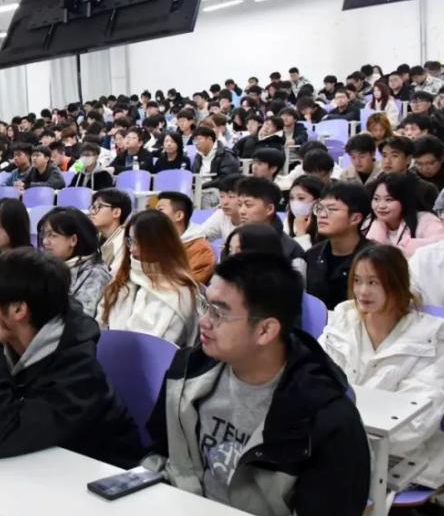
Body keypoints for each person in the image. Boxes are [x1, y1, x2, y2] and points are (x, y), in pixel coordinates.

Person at [143, 252, 371, 515]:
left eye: (218, 313)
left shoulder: (327, 418)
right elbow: (160, 451)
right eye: (206, 306)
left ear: (265, 330)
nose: (204, 322)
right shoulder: (188, 370)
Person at [0, 248, 144, 466]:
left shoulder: (78, 373)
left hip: (94, 478)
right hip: (36, 468)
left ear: (18, 310)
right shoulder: (9, 340)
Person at [320, 245, 444, 489]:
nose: (362, 291)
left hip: (401, 458)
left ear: (397, 284)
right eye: (357, 280)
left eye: (373, 282)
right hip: (332, 445)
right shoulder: (343, 319)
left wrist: (342, 438)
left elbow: (417, 423)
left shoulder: (431, 336)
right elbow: (312, 379)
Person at [99, 210, 199, 346]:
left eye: (138, 242)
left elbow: (166, 346)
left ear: (159, 244)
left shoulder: (180, 291)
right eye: (130, 241)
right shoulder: (122, 278)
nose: (132, 249)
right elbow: (100, 323)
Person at [39, 208, 112, 318]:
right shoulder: (45, 266)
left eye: (52, 235)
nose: (45, 242)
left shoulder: (96, 274)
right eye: (44, 235)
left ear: (73, 240)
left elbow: (81, 318)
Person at [235, 177, 306, 275]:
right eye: (239, 205)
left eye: (248, 205)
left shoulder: (291, 250)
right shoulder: (234, 242)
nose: (241, 211)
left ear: (269, 209)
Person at [366, 172, 444, 258]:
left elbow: (440, 245)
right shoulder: (368, 225)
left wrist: (409, 246)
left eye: (389, 200)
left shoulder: (426, 221)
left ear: (404, 200)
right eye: (376, 199)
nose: (381, 206)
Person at [155, 192, 215, 284]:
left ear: (179, 216)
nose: (154, 215)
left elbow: (190, 285)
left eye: (160, 210)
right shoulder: (155, 241)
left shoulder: (201, 250)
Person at [380, 135, 439, 210]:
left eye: (394, 156)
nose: (387, 161)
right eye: (384, 156)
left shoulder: (425, 190)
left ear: (408, 159)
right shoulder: (373, 186)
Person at [192, 127, 241, 208]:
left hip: (217, 190)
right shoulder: (198, 156)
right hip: (198, 189)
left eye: (199, 139)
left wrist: (202, 186)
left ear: (210, 139)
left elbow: (226, 178)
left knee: (204, 198)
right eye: (194, 141)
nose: (196, 143)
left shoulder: (226, 154)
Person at [88, 188, 132, 272]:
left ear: (116, 212)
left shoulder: (124, 242)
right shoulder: (94, 238)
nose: (92, 212)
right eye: (93, 207)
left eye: (98, 207)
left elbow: (114, 276)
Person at [198, 174, 243, 241]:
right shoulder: (221, 214)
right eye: (222, 196)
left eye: (231, 197)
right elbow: (198, 235)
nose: (224, 202)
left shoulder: (254, 222)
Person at [285, 175, 323, 250]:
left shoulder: (326, 225)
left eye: (301, 198)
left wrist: (301, 233)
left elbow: (304, 256)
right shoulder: (287, 223)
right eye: (291, 198)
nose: (295, 203)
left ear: (318, 201)